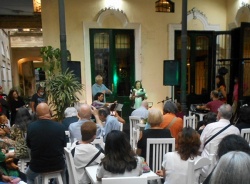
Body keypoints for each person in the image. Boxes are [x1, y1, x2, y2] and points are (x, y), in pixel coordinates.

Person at [26, 103, 66, 184]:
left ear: (36, 114)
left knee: (28, 176)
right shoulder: (60, 127)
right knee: (63, 171)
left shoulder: (31, 127)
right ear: (50, 112)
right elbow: (64, 145)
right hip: (58, 164)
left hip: (37, 166)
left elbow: (29, 145)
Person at [199, 104, 240, 176]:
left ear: (219, 114)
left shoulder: (209, 127)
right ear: (231, 116)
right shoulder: (236, 130)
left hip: (206, 168)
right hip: (227, 170)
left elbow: (200, 148)